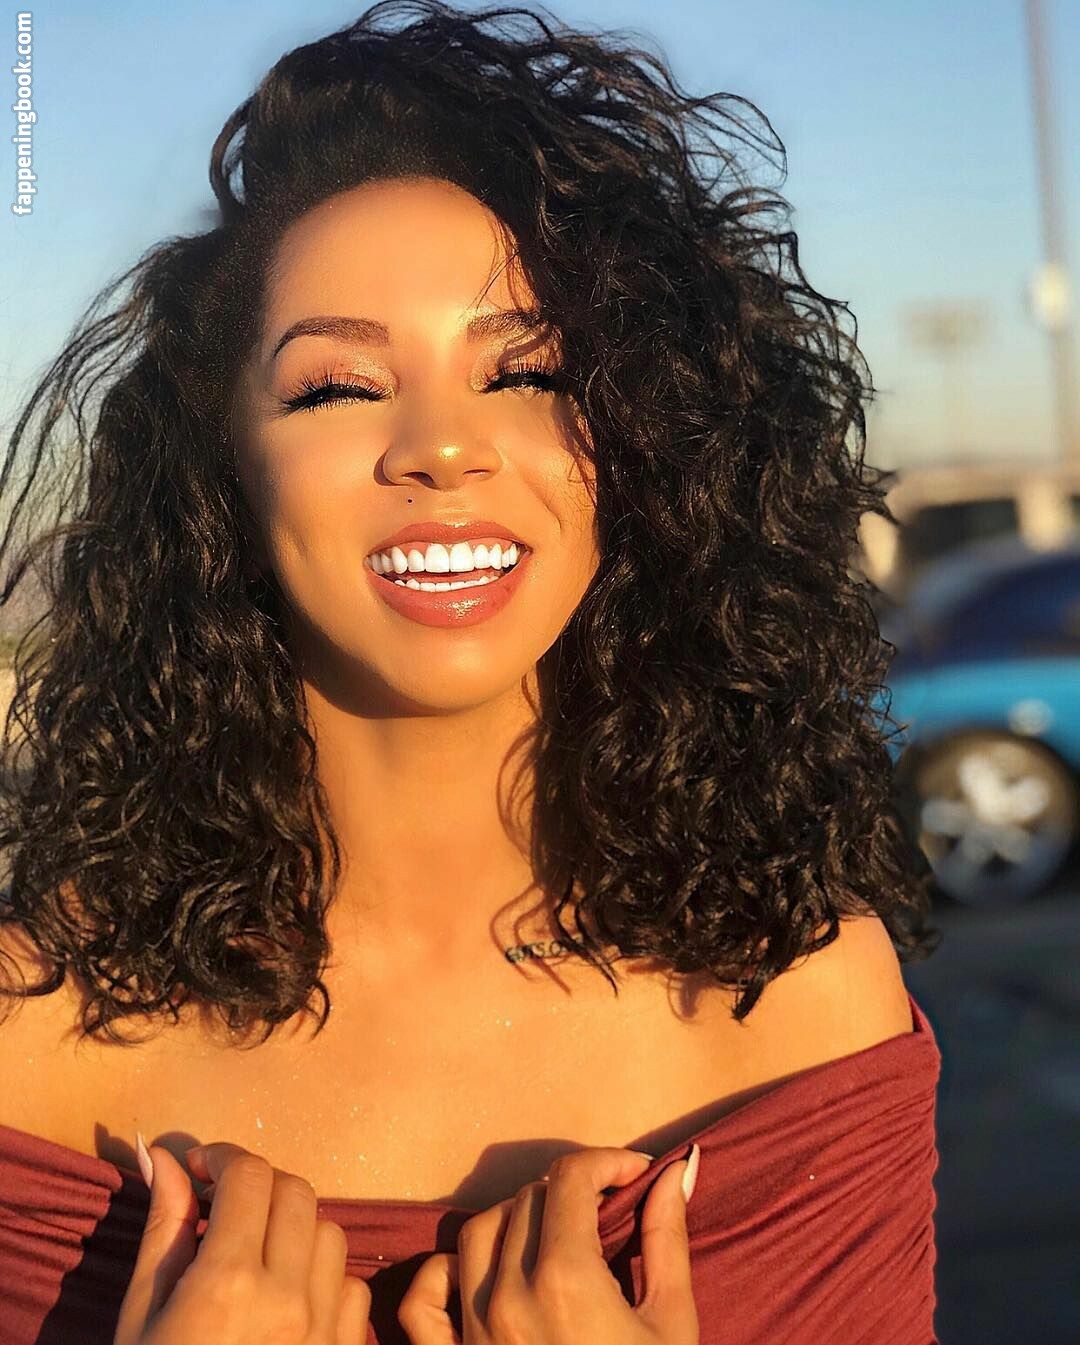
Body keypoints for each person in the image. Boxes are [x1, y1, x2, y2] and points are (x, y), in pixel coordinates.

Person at [0, 3, 943, 1343]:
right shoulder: (34, 1035)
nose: (444, 447)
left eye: (529, 372)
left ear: (641, 444)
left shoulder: (802, 1000)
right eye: (337, 387)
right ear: (223, 467)